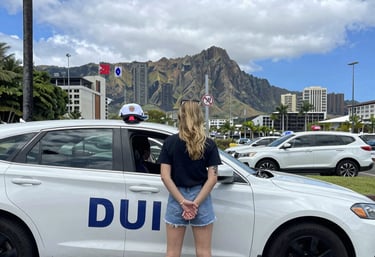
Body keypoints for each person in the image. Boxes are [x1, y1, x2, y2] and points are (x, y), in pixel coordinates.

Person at [159, 99, 222, 257]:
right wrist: (195, 204)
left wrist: (182, 201)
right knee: (204, 251)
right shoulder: (209, 144)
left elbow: (165, 176)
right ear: (199, 117)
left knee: (172, 252)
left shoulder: (169, 143)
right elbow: (212, 178)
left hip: (176, 198)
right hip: (201, 198)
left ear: (180, 117)